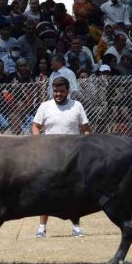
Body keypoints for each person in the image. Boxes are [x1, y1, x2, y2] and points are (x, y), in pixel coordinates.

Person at [32, 76, 90, 238]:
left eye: (61, 91)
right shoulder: (45, 106)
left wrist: (86, 147)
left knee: (74, 192)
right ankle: (42, 228)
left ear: (68, 91)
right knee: (46, 190)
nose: (58, 94)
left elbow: (85, 129)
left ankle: (76, 226)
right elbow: (36, 126)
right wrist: (38, 143)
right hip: (50, 155)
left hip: (73, 156)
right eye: (55, 91)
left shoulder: (76, 106)